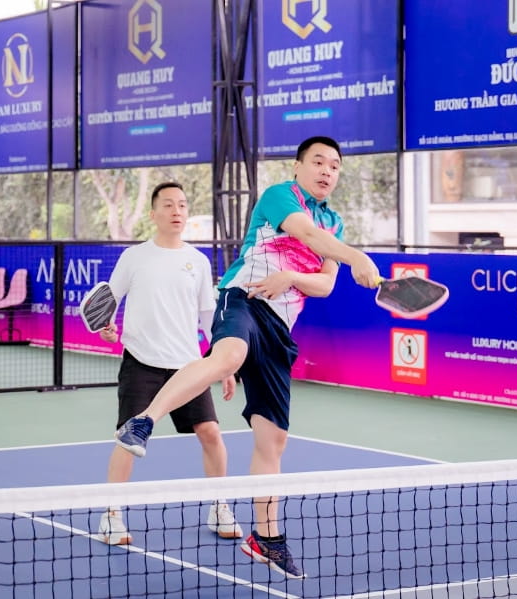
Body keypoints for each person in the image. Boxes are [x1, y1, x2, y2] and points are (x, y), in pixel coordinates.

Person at [113, 137, 381, 577]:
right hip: (244, 299)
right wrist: (358, 258)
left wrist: (291, 276)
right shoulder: (280, 196)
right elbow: (307, 235)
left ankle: (266, 538)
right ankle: (143, 422)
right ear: (297, 166)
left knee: (273, 438)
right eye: (318, 162)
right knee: (229, 356)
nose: (327, 171)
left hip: (280, 327)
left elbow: (325, 285)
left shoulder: (334, 222)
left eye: (334, 166)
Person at [96, 181, 242, 546]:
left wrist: (225, 365)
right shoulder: (134, 257)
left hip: (188, 367)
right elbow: (109, 303)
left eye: (182, 205)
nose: (177, 211)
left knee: (211, 433)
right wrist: (107, 327)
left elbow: (208, 317)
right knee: (128, 437)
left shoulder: (198, 261)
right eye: (168, 205)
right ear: (153, 213)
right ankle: (111, 516)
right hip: (141, 362)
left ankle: (219, 505)